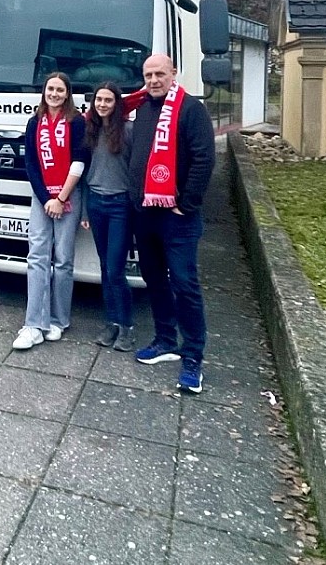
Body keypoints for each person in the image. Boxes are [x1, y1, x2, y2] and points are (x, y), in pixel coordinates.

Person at [129, 53, 216, 394]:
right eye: (148, 74)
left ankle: (193, 356)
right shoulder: (142, 108)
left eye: (159, 74)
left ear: (173, 73)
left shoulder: (190, 108)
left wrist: (186, 203)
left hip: (177, 217)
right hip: (145, 213)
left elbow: (204, 157)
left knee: (184, 284)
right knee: (154, 279)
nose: (153, 80)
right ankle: (165, 339)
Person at [13, 72, 88, 349]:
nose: (54, 93)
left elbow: (80, 161)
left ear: (67, 94)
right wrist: (47, 198)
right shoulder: (35, 122)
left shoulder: (77, 122)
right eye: (50, 89)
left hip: (70, 195)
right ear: (44, 92)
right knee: (37, 257)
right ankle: (34, 324)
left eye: (59, 89)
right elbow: (31, 164)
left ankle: (59, 320)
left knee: (64, 259)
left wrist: (61, 197)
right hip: (42, 197)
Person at [81, 82, 135, 351]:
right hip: (96, 203)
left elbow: (137, 170)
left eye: (108, 100)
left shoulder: (128, 131)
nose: (102, 104)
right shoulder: (89, 131)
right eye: (99, 100)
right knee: (104, 267)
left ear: (117, 104)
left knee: (115, 269)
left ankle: (126, 326)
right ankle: (112, 322)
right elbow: (81, 172)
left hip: (120, 205)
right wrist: (83, 211)